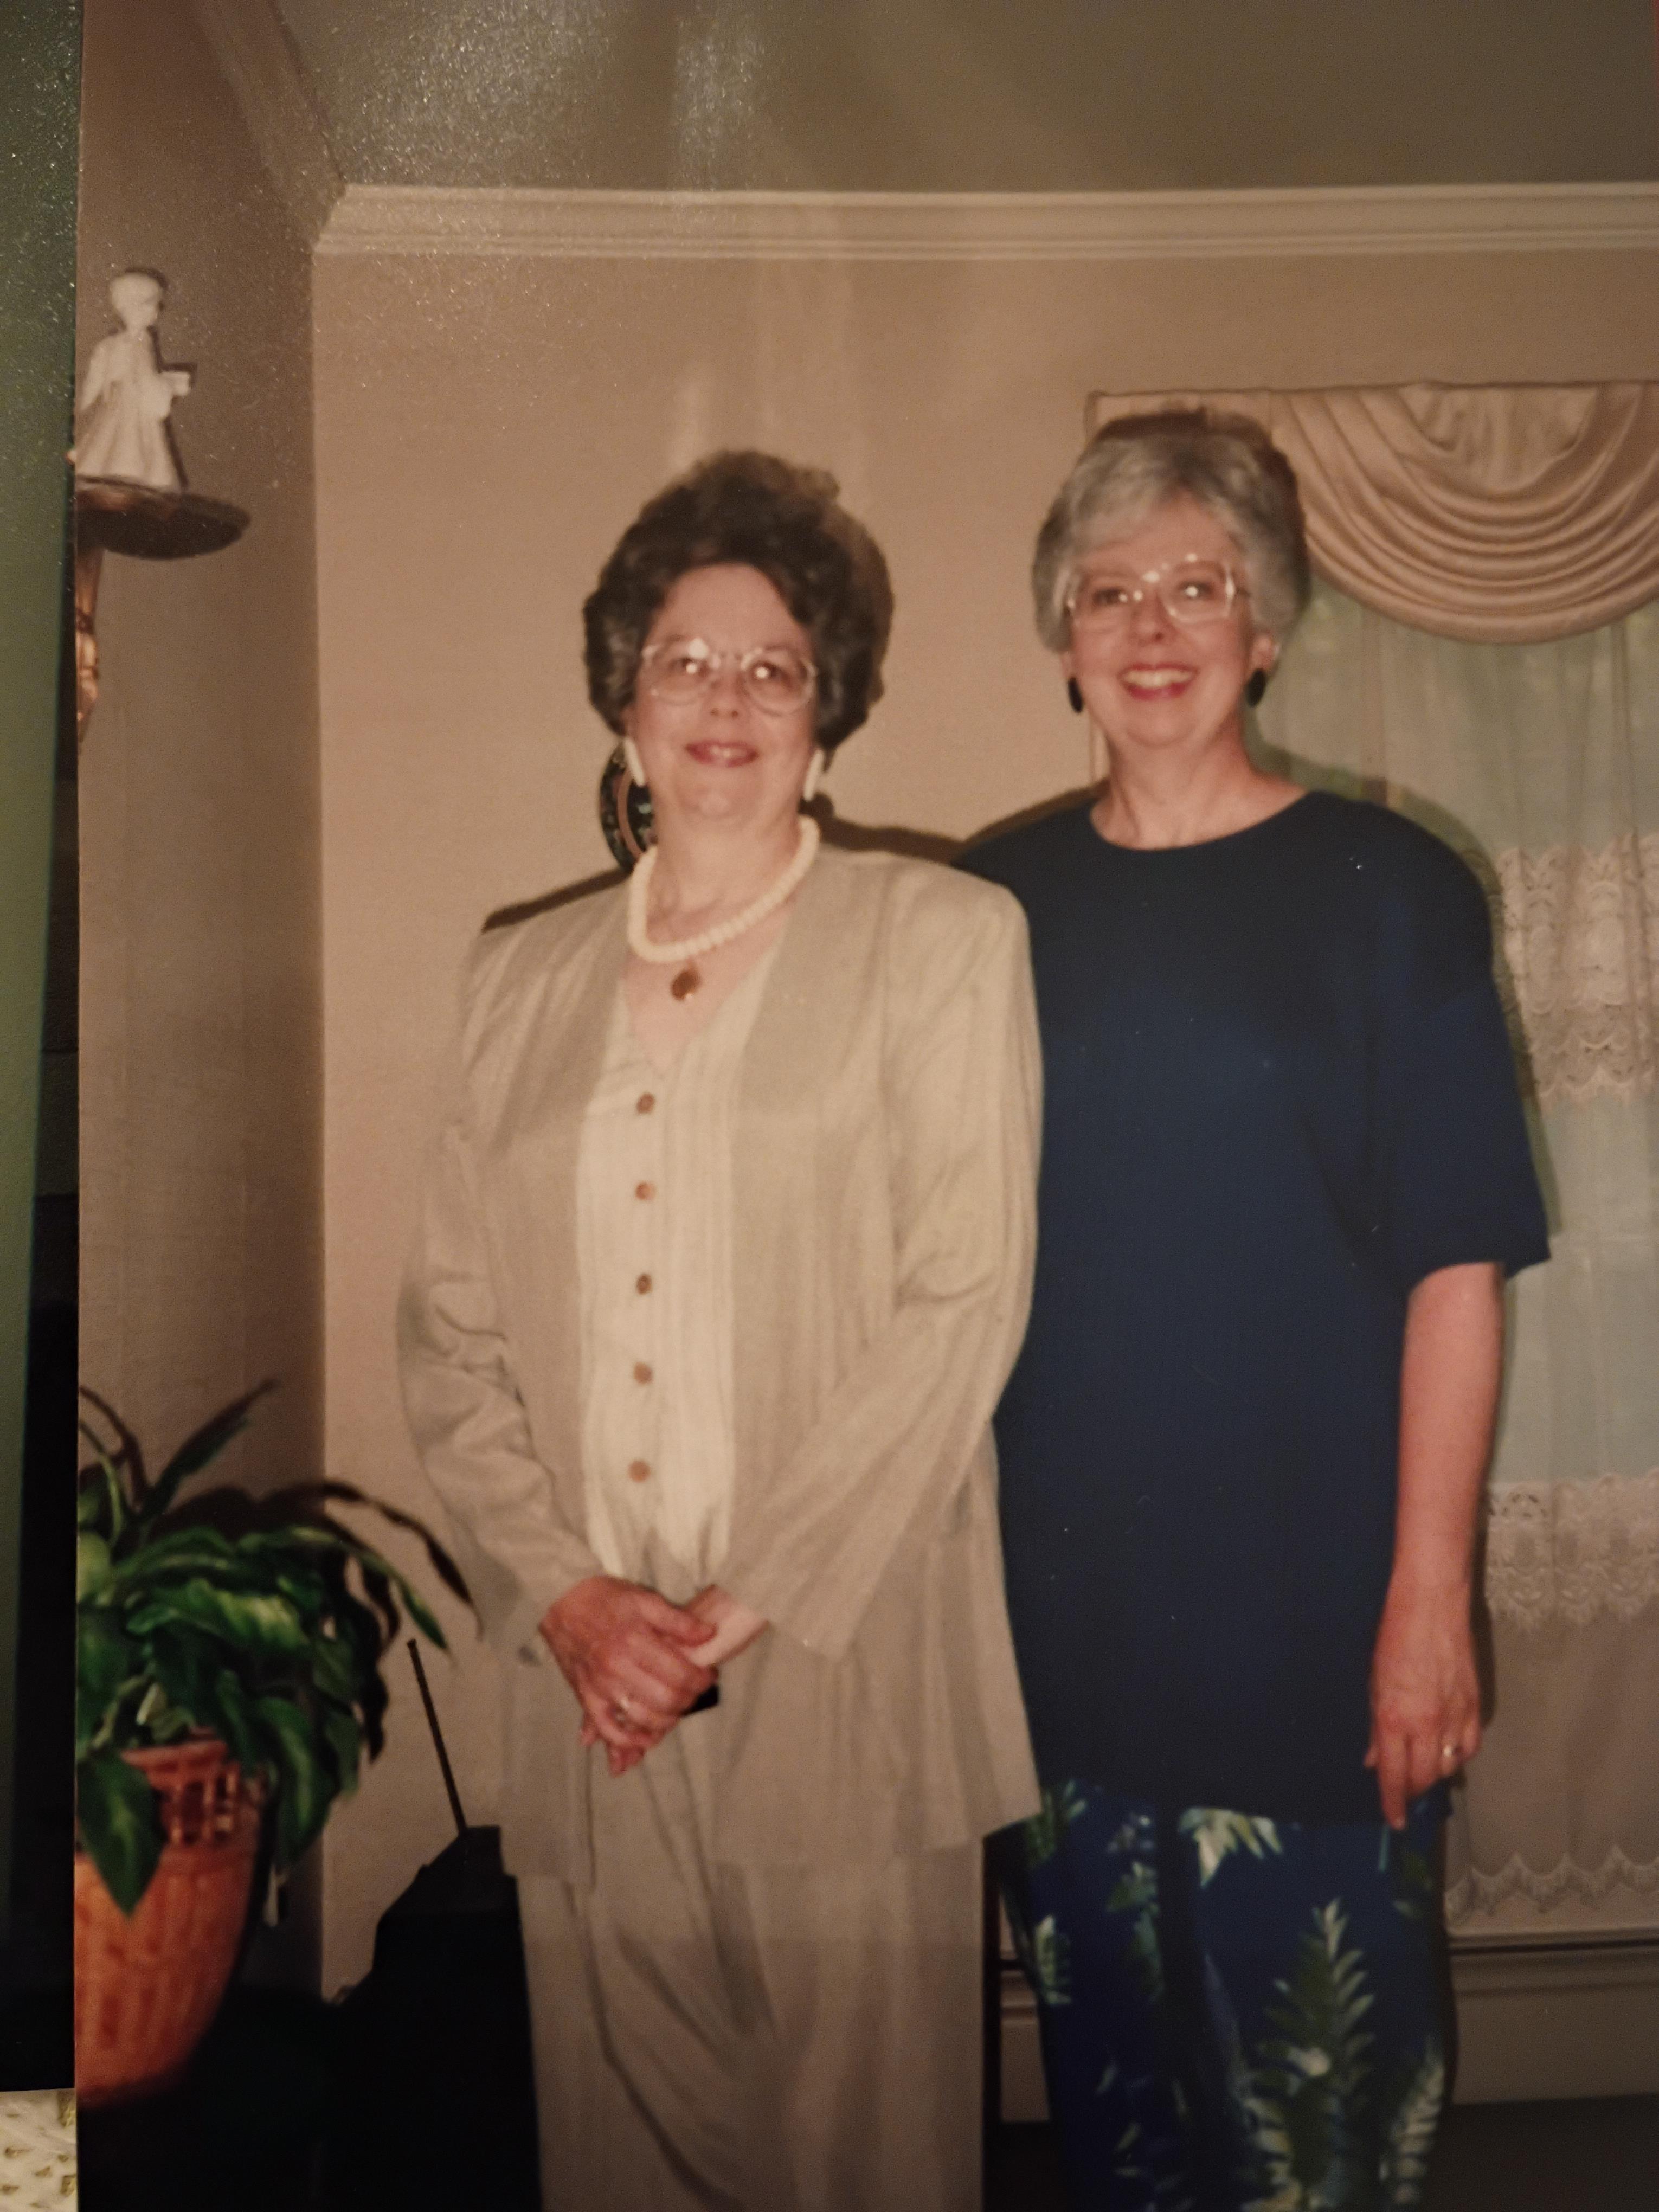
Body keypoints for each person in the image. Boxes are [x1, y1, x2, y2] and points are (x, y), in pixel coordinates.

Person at [398, 450, 1041, 2211]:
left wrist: (725, 1615)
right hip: (588, 1680)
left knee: (867, 2163)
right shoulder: (510, 977)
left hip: (842, 1659)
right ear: (623, 701)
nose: (729, 699)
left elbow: (963, 1301)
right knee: (623, 2161)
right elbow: (450, 1332)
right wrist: (576, 1603)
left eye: (776, 666)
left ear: (829, 716)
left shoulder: (947, 940)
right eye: (688, 658)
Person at [960, 408, 1550, 2210]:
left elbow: (1458, 1261)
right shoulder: (987, 905)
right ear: (1063, 633)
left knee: (1323, 2140)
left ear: (1268, 626)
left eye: (1199, 587)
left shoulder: (1390, 893)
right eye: (1113, 590)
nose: (1155, 627)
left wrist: (1428, 1607)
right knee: (1121, 2129)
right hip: (1049, 1632)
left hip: (1312, 1629)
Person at [75, 269, 191, 490]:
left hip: (124, 407)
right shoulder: (135, 344)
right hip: (129, 410)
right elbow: (143, 379)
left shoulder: (115, 345)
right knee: (129, 452)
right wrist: (171, 386)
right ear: (134, 306)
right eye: (153, 304)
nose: (157, 311)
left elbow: (96, 387)